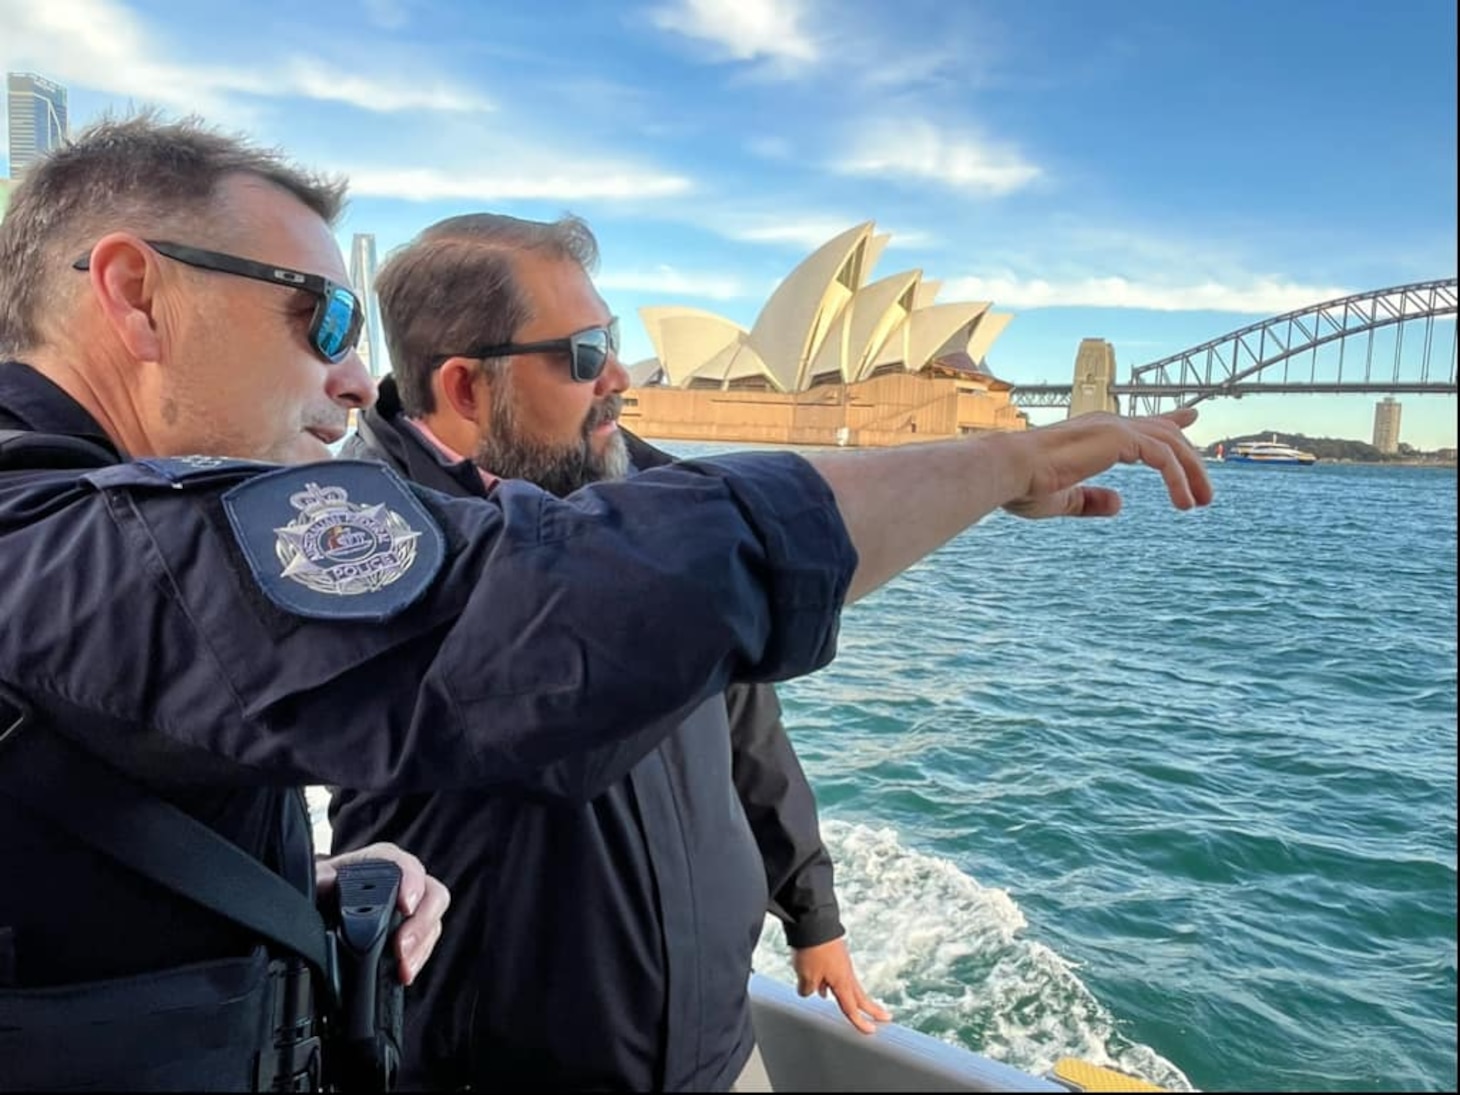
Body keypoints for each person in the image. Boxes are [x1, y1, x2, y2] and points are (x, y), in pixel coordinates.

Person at [0, 114, 1210, 1094]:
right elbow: (550, 610)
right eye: (317, 314)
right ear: (134, 293)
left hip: (702, 1043)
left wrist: (285, 900)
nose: (351, 370)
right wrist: (993, 462)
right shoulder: (56, 540)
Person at [328, 213, 890, 1094]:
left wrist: (810, 909)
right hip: (512, 1067)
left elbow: (747, 720)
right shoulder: (369, 552)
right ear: (468, 387)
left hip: (717, 1041)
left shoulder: (649, 496)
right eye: (585, 352)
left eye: (613, 339)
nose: (621, 376)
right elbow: (554, 733)